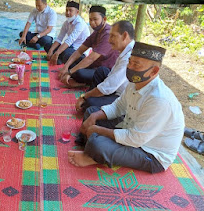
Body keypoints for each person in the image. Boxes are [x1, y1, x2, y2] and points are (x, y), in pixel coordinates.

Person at [68, 42, 185, 174]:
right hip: (130, 129)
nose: (129, 67)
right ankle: (95, 148)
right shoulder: (135, 83)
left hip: (150, 152)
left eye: (136, 64)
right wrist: (95, 116)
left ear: (154, 71)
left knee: (98, 144)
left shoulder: (159, 100)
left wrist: (99, 130)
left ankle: (94, 153)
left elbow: (135, 139)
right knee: (91, 112)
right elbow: (118, 106)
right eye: (130, 62)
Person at [76, 20, 135, 112]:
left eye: (113, 36)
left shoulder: (129, 57)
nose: (109, 40)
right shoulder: (125, 50)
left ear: (124, 36)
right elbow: (111, 77)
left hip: (122, 96)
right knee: (102, 71)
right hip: (115, 88)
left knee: (90, 103)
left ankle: (89, 100)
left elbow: (110, 86)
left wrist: (84, 97)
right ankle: (92, 97)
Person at [58, 6, 119, 88]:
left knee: (80, 73)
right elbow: (79, 51)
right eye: (90, 19)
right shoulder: (97, 32)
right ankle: (80, 79)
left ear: (104, 19)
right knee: (68, 57)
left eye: (95, 19)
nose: (92, 22)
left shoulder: (108, 34)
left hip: (105, 71)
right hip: (94, 65)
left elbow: (91, 58)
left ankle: (85, 83)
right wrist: (66, 67)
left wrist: (70, 72)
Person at [45, 1, 90, 66]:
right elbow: (59, 39)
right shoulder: (66, 23)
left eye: (70, 10)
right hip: (69, 47)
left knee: (66, 54)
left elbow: (69, 40)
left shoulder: (80, 24)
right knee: (48, 46)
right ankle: (59, 59)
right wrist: (51, 50)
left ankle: (59, 58)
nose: (67, 13)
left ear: (77, 12)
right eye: (66, 10)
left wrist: (57, 53)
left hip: (78, 50)